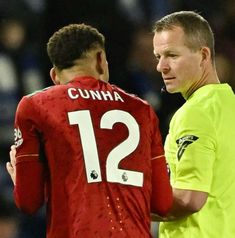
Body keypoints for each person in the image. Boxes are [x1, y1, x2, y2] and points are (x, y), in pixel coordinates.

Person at [6, 23, 172, 238]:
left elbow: (29, 202)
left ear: (55, 76)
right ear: (101, 59)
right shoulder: (142, 109)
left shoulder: (36, 105)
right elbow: (162, 203)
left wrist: (24, 180)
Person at [152, 10, 235, 237]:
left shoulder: (195, 113)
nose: (161, 66)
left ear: (203, 55)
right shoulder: (229, 104)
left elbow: (189, 199)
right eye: (158, 56)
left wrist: (129, 204)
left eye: (172, 55)